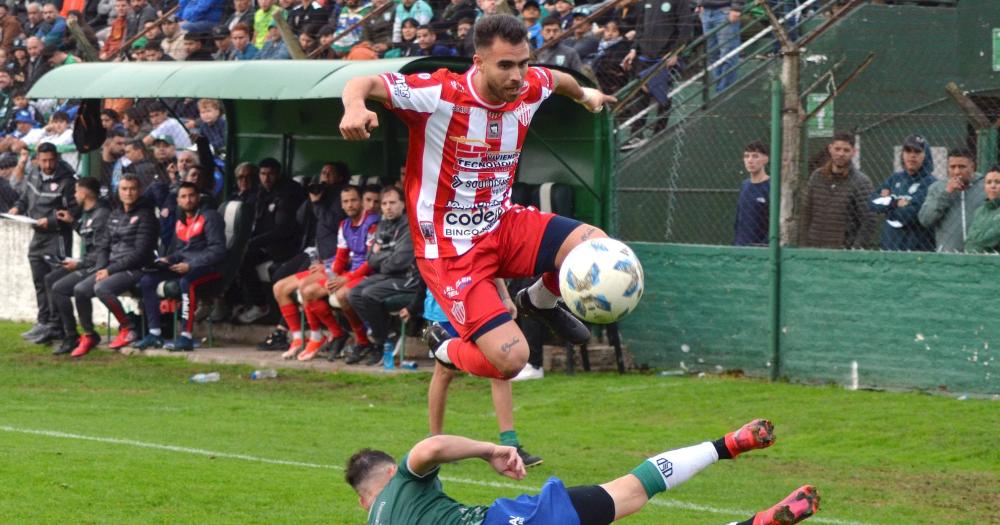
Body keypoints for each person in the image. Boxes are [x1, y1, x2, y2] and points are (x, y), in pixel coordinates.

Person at [339, 14, 617, 380]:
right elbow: (365, 80)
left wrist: (586, 95)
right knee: (512, 360)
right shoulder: (439, 95)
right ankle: (445, 347)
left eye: (523, 63)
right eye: (505, 65)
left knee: (596, 244)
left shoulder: (529, 85)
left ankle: (538, 300)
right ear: (479, 62)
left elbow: (559, 80)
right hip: (451, 250)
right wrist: (355, 106)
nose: (517, 76)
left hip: (502, 223)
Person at [345, 419, 820, 525]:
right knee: (629, 491)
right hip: (510, 522)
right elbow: (430, 446)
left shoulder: (376, 521)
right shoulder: (403, 478)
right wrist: (493, 448)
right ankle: (726, 445)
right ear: (388, 473)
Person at [416, 276, 545, 467]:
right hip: (446, 305)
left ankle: (510, 445)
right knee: (444, 372)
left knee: (500, 367)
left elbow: (491, 259)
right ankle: (436, 445)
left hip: (482, 303)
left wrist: (505, 297)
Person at [70, 174, 159, 356]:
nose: (128, 193)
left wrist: (109, 270)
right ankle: (88, 335)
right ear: (118, 192)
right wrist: (102, 267)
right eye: (124, 189)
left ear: (139, 191)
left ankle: (128, 328)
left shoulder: (147, 215)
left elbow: (140, 254)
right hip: (112, 267)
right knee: (80, 289)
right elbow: (104, 246)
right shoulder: (115, 214)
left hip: (137, 268)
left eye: (132, 189)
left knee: (102, 288)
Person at [133, 182, 226, 351]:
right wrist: (167, 259)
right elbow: (180, 251)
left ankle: (186, 336)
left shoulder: (211, 216)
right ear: (178, 200)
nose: (188, 200)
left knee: (186, 282)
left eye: (191, 196)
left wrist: (190, 265)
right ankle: (154, 334)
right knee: (147, 281)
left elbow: (218, 250)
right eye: (183, 197)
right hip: (182, 266)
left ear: (198, 197)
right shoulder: (181, 220)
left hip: (208, 269)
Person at [270, 164, 348, 360]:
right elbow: (300, 218)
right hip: (321, 261)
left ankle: (318, 335)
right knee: (280, 287)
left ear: (340, 178)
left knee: (306, 288)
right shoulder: (319, 196)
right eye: (323, 173)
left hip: (336, 266)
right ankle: (297, 337)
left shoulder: (340, 198)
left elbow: (333, 222)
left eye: (331, 174)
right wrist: (312, 198)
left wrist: (318, 204)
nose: (325, 178)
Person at [298, 185, 380, 363]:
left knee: (342, 294)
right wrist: (333, 276)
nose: (350, 205)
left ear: (361, 202)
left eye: (353, 200)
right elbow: (341, 257)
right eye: (346, 201)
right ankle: (337, 334)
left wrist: (346, 278)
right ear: (341, 205)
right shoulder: (344, 225)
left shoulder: (373, 223)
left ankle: (363, 341)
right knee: (309, 291)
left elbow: (370, 261)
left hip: (370, 273)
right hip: (350, 273)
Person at [9, 143, 78, 345]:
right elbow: (25, 198)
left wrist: (52, 221)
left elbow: (73, 212)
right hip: (37, 235)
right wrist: (16, 208)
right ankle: (43, 321)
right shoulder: (33, 174)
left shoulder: (67, 181)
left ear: (56, 158)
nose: (47, 165)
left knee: (54, 282)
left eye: (51, 160)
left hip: (57, 237)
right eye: (43, 160)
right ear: (37, 159)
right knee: (39, 281)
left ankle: (56, 327)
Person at [347, 186, 421, 363]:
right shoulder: (381, 224)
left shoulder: (409, 226)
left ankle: (381, 343)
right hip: (388, 276)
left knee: (369, 294)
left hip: (408, 278)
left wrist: (382, 255)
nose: (388, 207)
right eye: (385, 203)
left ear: (403, 204)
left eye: (393, 203)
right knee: (354, 294)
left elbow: (399, 261)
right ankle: (388, 334)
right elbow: (370, 258)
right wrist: (388, 254)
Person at [237, 157, 305, 324]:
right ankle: (241, 304)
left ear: (278, 174)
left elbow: (282, 230)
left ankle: (261, 306)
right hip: (266, 243)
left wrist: (252, 242)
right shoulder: (260, 191)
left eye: (271, 174)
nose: (266, 178)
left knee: (245, 257)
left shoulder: (288, 192)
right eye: (263, 174)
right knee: (236, 256)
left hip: (286, 246)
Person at [47, 177, 111, 356]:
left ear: (85, 192)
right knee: (51, 279)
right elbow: (89, 236)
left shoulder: (102, 214)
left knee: (61, 288)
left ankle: (78, 335)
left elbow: (101, 251)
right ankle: (58, 328)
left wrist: (79, 263)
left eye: (76, 191)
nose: (74, 195)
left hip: (98, 265)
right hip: (88, 262)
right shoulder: (88, 213)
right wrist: (73, 222)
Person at [799, 132, 876, 249]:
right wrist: (804, 244)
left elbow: (869, 220)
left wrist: (855, 249)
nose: (841, 154)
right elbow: (807, 212)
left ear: (854, 152)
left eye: (846, 150)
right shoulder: (817, 176)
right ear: (830, 149)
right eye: (837, 149)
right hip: (814, 248)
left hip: (843, 251)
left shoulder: (861, 182)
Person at [868, 134, 936, 251]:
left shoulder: (931, 183)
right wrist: (894, 203)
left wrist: (886, 206)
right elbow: (872, 202)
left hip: (918, 249)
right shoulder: (895, 179)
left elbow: (908, 215)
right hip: (890, 245)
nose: (912, 155)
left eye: (917, 152)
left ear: (926, 156)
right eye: (908, 151)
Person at [917, 148, 986, 253]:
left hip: (980, 254)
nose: (957, 171)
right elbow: (925, 219)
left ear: (972, 167)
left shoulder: (985, 186)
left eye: (962, 167)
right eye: (952, 167)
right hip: (948, 255)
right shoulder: (937, 188)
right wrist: (947, 192)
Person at [696, 0, 742, 93]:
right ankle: (720, 91)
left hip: (726, 10)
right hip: (706, 11)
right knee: (712, 55)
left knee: (727, 54)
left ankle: (723, 93)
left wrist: (736, 7)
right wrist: (700, 3)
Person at [733, 140, 769, 246]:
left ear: (766, 159)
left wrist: (763, 246)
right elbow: (738, 220)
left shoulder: (772, 186)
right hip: (739, 247)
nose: (750, 160)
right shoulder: (744, 185)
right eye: (746, 156)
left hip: (760, 251)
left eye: (755, 156)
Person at [964, 166, 1000, 254]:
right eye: (988, 182)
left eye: (997, 182)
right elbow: (969, 241)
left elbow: (989, 240)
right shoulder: (979, 211)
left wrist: (976, 242)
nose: (993, 186)